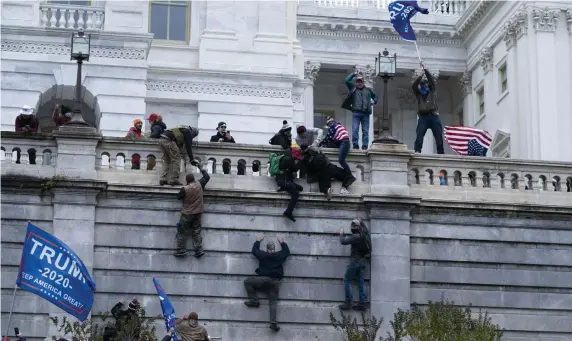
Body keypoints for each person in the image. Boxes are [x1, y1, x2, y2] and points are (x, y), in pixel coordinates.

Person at [244, 235, 290, 332]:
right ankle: (273, 323)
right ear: (274, 249)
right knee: (273, 302)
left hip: (265, 280)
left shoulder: (264, 255)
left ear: (267, 249)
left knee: (247, 282)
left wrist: (258, 241)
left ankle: (254, 300)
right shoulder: (279, 255)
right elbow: (287, 252)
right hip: (276, 282)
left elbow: (254, 251)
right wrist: (282, 242)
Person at [175, 164, 210, 258]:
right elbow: (207, 176)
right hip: (198, 213)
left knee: (181, 231)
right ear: (194, 179)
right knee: (196, 232)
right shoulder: (200, 183)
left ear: (187, 181)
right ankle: (199, 250)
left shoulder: (185, 189)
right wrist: (200, 167)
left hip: (186, 214)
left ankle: (181, 249)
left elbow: (178, 197)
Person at [412, 64, 444, 154]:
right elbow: (414, 85)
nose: (423, 86)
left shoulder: (432, 90)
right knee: (419, 134)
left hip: (433, 115)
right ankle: (417, 150)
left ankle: (440, 152)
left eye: (425, 84)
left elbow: (431, 80)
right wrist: (420, 76)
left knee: (438, 135)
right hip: (423, 117)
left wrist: (425, 70)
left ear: (427, 84)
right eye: (422, 84)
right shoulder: (418, 94)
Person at [338, 220, 369, 311]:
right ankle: (362, 303)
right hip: (363, 260)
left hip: (355, 260)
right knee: (360, 280)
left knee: (347, 279)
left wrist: (341, 234)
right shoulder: (364, 234)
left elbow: (343, 241)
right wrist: (361, 221)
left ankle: (348, 302)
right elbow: (363, 226)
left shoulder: (355, 237)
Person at [342, 72, 378, 150]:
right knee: (355, 129)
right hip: (356, 113)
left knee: (365, 131)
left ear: (363, 82)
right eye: (358, 81)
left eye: (360, 81)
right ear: (356, 82)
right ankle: (355, 145)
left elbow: (375, 97)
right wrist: (354, 74)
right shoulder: (353, 88)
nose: (359, 83)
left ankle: (365, 146)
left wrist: (374, 101)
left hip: (366, 113)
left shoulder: (368, 90)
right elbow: (347, 81)